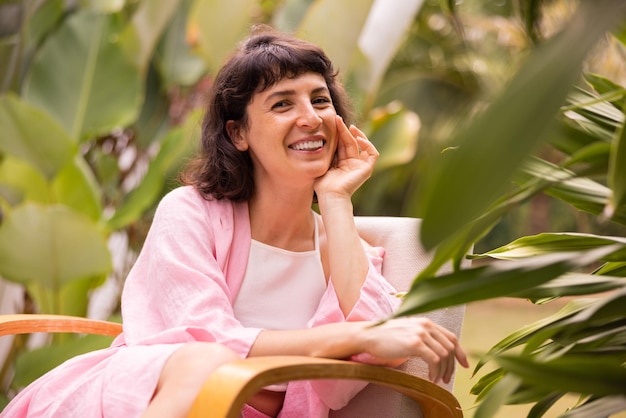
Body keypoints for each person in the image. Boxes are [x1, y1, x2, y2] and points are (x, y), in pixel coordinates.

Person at [1, 26, 468, 418]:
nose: (311, 118)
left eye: (321, 100)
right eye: (282, 104)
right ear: (238, 132)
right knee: (206, 360)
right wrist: (354, 335)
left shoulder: (349, 247)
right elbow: (209, 342)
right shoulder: (190, 212)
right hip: (143, 399)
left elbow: (375, 355)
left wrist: (336, 201)